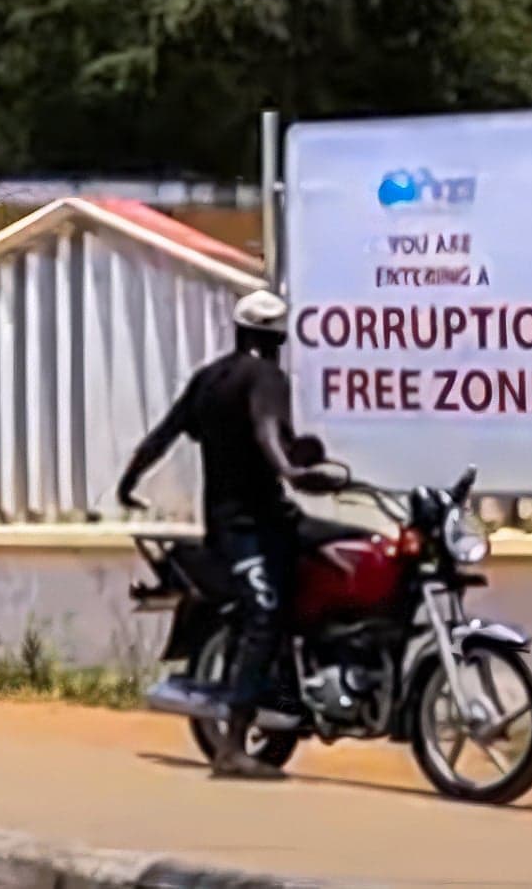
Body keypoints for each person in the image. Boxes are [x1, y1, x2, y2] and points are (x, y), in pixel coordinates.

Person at [115, 288, 340, 777]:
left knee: (353, 550)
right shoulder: (264, 378)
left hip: (268, 521)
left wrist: (128, 483)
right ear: (278, 339)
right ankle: (232, 746)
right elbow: (266, 429)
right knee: (265, 612)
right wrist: (290, 470)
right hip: (244, 528)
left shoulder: (207, 379)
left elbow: (161, 436)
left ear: (240, 331)